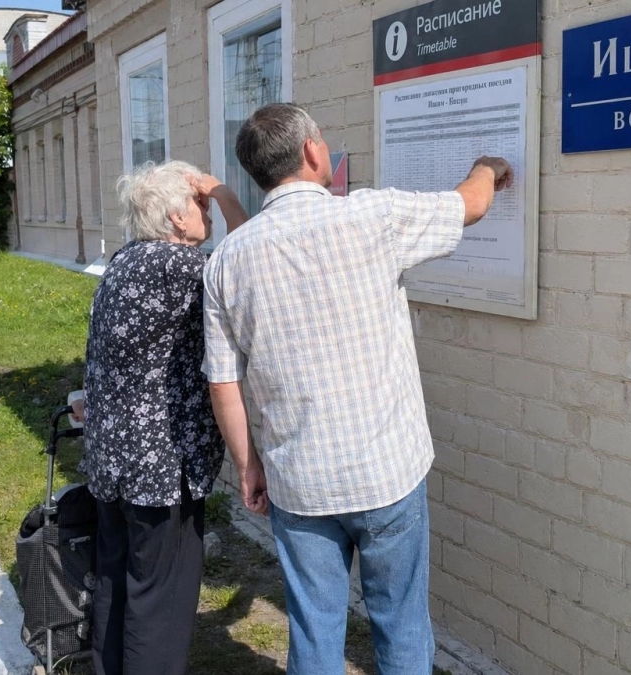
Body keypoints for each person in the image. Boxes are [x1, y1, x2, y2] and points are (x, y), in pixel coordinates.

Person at [202, 103, 513, 675]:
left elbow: (223, 381)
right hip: (386, 473)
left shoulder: (225, 261)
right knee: (400, 622)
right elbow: (469, 204)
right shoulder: (372, 217)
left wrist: (249, 466)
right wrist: (488, 165)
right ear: (312, 153)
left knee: (315, 631)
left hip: (298, 482)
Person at [76, 160, 247, 675]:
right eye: (200, 205)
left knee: (115, 580)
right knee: (160, 600)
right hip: (160, 468)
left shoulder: (126, 261)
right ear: (176, 217)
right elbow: (254, 249)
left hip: (113, 459)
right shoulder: (183, 270)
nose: (209, 212)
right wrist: (224, 190)